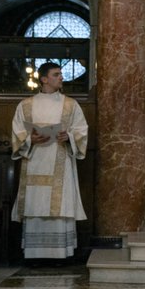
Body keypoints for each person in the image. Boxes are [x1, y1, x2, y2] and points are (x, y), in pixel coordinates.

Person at [11, 62, 88, 264]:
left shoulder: (70, 105)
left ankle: (60, 255)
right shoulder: (25, 105)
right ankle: (34, 256)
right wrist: (29, 140)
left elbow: (81, 131)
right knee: (35, 206)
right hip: (35, 160)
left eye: (60, 74)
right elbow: (18, 132)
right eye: (56, 74)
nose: (61, 77)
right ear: (44, 79)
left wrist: (69, 137)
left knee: (59, 206)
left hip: (60, 161)